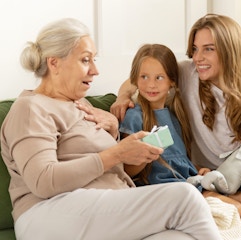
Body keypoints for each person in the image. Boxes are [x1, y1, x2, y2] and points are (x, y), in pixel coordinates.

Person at [0, 18, 223, 240]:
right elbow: (43, 181)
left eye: (94, 60)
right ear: (54, 63)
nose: (95, 70)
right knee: (185, 197)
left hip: (100, 214)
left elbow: (96, 159)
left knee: (178, 237)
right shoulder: (30, 107)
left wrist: (115, 132)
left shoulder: (81, 106)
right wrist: (117, 153)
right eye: (86, 60)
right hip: (46, 214)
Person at [110, 13, 241, 216]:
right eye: (195, 49)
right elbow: (139, 77)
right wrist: (122, 97)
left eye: (208, 49)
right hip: (218, 176)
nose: (198, 58)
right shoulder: (188, 73)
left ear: (229, 51)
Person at [119, 43, 241, 217]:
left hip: (188, 181)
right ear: (135, 79)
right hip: (165, 187)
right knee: (235, 208)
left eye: (159, 78)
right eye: (144, 77)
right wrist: (147, 153)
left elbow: (179, 159)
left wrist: (199, 168)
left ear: (172, 82)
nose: (151, 85)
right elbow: (126, 169)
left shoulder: (174, 117)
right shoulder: (134, 117)